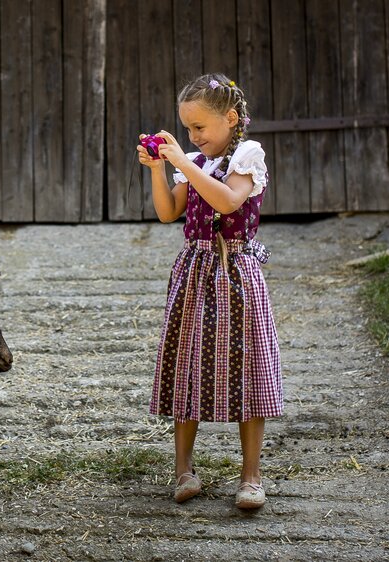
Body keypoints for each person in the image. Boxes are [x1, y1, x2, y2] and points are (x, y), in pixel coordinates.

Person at [137, 73, 282, 509]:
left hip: (236, 269)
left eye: (200, 127)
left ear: (231, 118)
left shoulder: (247, 155)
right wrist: (159, 170)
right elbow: (168, 213)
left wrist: (182, 161)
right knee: (187, 363)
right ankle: (183, 471)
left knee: (249, 367)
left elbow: (228, 202)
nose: (193, 136)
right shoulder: (195, 161)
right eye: (187, 129)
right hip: (195, 269)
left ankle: (251, 476)